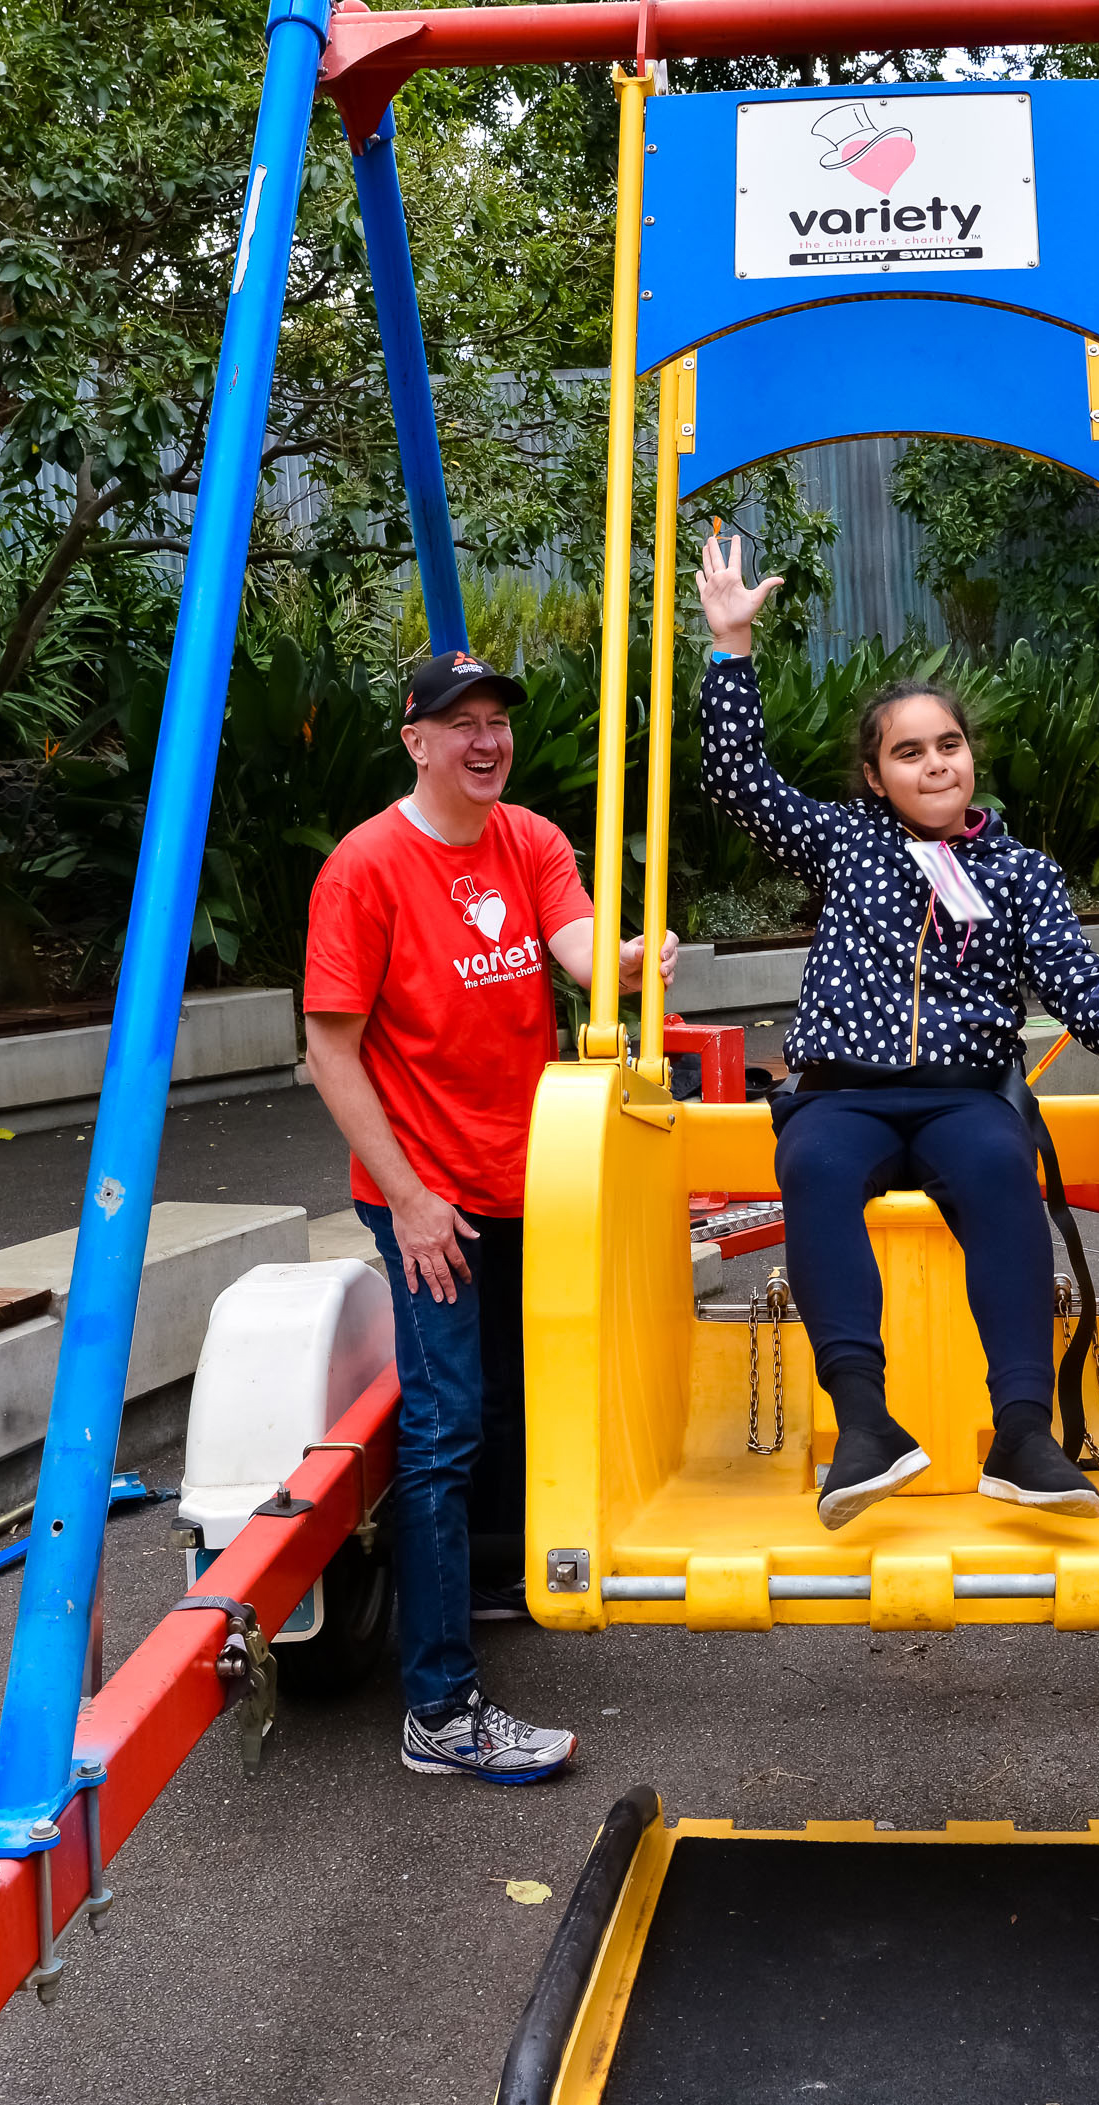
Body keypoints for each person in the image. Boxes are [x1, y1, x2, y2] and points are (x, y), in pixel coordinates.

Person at [695, 530, 1099, 1527]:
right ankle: (866, 1425)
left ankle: (1023, 1431)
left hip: (965, 1093)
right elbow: (739, 785)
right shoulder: (842, 842)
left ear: (970, 758)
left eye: (947, 745)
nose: (933, 764)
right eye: (908, 752)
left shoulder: (1015, 871)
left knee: (1003, 1170)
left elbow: (1072, 976)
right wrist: (730, 652)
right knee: (816, 1169)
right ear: (874, 777)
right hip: (846, 1091)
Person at [302, 648, 672, 1784]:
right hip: (433, 1203)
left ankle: (489, 1585)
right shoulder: (366, 868)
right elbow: (329, 1048)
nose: (486, 738)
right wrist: (410, 1201)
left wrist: (620, 961)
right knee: (445, 1429)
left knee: (514, 1402)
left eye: (498, 718)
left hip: (533, 1182)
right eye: (459, 721)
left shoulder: (531, 841)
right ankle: (438, 1705)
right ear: (414, 740)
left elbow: (571, 952)